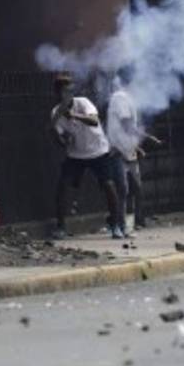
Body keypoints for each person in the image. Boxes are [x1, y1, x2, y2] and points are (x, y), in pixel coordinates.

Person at [50, 76, 125, 240]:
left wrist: (74, 116)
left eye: (71, 90)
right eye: (65, 91)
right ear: (58, 93)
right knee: (63, 187)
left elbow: (93, 120)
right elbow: (62, 142)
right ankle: (61, 226)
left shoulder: (82, 103)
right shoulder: (56, 113)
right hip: (76, 155)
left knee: (109, 185)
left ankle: (116, 225)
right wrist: (58, 133)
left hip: (98, 151)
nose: (69, 94)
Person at [106, 67, 150, 232]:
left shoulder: (126, 97)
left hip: (128, 151)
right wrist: (142, 133)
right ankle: (118, 224)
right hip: (118, 151)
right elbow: (126, 123)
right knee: (123, 189)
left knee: (133, 188)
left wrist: (137, 146)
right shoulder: (120, 97)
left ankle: (128, 224)